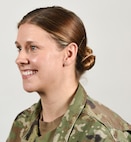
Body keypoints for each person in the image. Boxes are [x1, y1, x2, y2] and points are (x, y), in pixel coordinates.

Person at [7, 6, 131, 142]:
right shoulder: (22, 123)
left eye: (33, 48)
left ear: (69, 54)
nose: (19, 59)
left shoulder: (102, 133)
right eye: (19, 48)